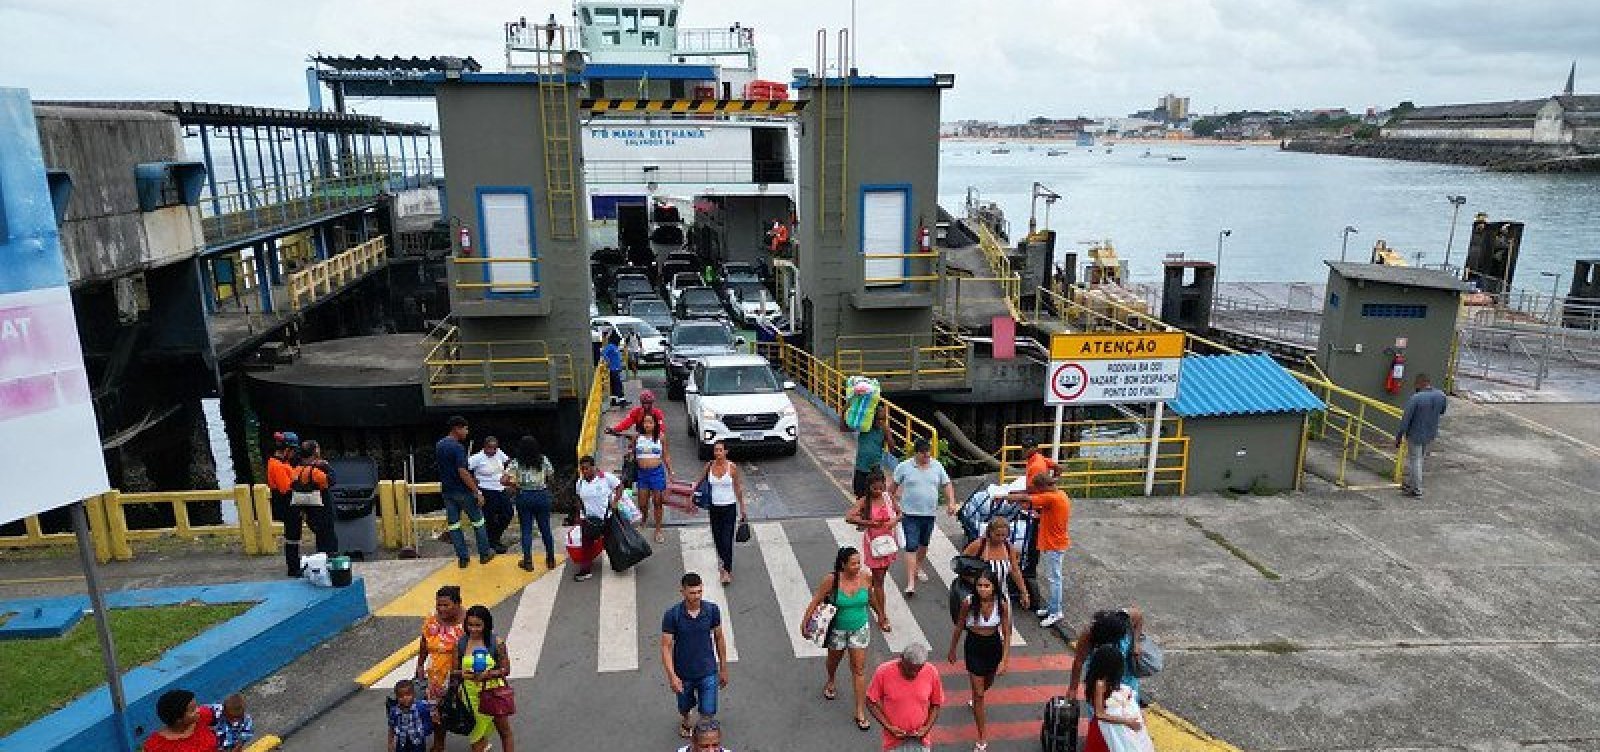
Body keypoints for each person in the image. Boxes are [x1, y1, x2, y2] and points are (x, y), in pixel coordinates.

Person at [802, 546, 886, 732]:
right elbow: (816, 600)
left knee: (859, 669)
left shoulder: (865, 577)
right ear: (843, 565)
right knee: (833, 661)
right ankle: (831, 679)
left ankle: (859, 711)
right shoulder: (831, 580)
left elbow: (870, 597)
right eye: (853, 563)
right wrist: (805, 622)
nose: (858, 566)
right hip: (837, 630)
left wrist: (881, 614)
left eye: (859, 562)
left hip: (859, 629)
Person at [946, 571, 1010, 752]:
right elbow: (959, 626)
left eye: (986, 586)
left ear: (994, 587)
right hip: (974, 647)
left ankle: (977, 698)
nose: (983, 589)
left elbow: (1006, 632)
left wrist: (1005, 658)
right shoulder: (968, 603)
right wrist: (952, 649)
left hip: (993, 647)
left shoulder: (1002, 605)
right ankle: (982, 736)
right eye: (980, 586)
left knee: (988, 683)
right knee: (979, 693)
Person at [661, 572, 730, 739]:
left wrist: (723, 668)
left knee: (708, 711)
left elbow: (719, 638)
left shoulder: (712, 610)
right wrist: (672, 676)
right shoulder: (672, 615)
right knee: (684, 706)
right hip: (683, 674)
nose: (697, 596)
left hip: (708, 671)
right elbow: (665, 647)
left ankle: (703, 739)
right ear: (682, 592)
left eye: (699, 591)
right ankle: (686, 720)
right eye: (692, 593)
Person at [890, 438, 955, 597]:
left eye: (929, 452)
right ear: (916, 453)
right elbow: (892, 488)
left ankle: (918, 566)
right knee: (911, 545)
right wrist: (892, 505)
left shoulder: (937, 466)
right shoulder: (904, 467)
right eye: (924, 453)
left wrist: (951, 502)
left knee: (923, 544)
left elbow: (946, 484)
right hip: (909, 514)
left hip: (929, 514)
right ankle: (911, 582)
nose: (927, 456)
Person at [453, 604, 515, 752]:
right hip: (470, 695)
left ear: (486, 625)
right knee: (476, 734)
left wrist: (488, 674)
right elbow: (454, 671)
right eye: (470, 625)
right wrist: (463, 674)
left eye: (477, 625)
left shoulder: (497, 643)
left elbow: (506, 670)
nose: (473, 629)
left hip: (493, 693)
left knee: (504, 731)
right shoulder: (461, 643)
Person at [436, 416, 494, 568]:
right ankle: (484, 553)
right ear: (457, 428)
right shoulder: (458, 448)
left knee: (454, 525)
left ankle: (463, 558)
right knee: (478, 522)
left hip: (447, 492)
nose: (467, 432)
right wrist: (476, 491)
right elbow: (462, 471)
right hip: (463, 491)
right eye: (465, 429)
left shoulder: (440, 445)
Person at [412, 584, 465, 752]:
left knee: (466, 710)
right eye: (438, 605)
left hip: (461, 675)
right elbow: (424, 641)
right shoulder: (432, 619)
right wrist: (420, 663)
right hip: (436, 677)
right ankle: (439, 744)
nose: (441, 609)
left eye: (446, 605)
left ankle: (479, 741)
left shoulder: (468, 623)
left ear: (457, 604)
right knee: (436, 712)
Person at [845, 469, 900, 629]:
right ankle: (882, 616)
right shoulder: (864, 501)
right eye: (874, 488)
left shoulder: (888, 497)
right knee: (879, 580)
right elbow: (849, 517)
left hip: (888, 543)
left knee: (880, 579)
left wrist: (893, 521)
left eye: (880, 487)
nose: (878, 491)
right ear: (868, 487)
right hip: (874, 544)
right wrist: (869, 523)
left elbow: (900, 513)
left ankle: (871, 596)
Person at [865, 644, 944, 752]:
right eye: (910, 669)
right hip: (893, 743)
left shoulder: (931, 672)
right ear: (901, 659)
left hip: (921, 741)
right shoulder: (883, 672)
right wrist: (888, 727)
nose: (913, 674)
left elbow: (936, 704)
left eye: (918, 670)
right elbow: (870, 701)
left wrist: (927, 727)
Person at [1078, 644, 1154, 752]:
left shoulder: (1107, 679)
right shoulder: (1100, 684)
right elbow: (1099, 714)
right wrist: (1127, 721)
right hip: (1105, 729)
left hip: (1113, 726)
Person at [1021, 471, 1071, 628]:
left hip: (1054, 544)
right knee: (1053, 578)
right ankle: (1051, 608)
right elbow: (1050, 512)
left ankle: (1056, 612)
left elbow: (1026, 499)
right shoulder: (1060, 495)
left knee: (1055, 579)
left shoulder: (1051, 497)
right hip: (1055, 542)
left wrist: (1003, 497)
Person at [1068, 608, 1146, 707]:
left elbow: (1138, 616)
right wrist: (1073, 689)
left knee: (1127, 706)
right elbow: (1079, 661)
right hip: (1101, 675)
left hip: (1126, 677)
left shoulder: (1123, 618)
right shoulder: (1089, 634)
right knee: (1101, 710)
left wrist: (1136, 642)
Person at [696, 441, 749, 584]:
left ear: (726, 452)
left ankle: (726, 570)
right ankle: (722, 560)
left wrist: (742, 507)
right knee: (718, 538)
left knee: (727, 539)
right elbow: (699, 483)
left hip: (729, 507)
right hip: (714, 508)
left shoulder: (732, 468)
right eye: (716, 450)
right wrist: (691, 497)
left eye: (720, 450)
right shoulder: (709, 466)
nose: (717, 453)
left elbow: (738, 488)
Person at [283, 441, 337, 572]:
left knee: (294, 538)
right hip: (321, 509)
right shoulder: (316, 471)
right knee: (327, 540)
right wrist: (326, 466)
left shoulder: (296, 470)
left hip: (303, 508)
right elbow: (331, 480)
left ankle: (293, 567)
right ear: (315, 452)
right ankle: (327, 566)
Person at [505, 435, 557, 572]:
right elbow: (551, 476)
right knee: (545, 528)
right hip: (541, 495)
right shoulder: (543, 459)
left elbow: (504, 480)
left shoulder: (516, 462)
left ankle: (528, 561)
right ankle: (550, 558)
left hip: (524, 496)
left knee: (526, 529)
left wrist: (515, 485)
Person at [961, 517, 1031, 612]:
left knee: (1004, 625)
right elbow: (961, 566)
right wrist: (979, 585)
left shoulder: (1008, 547)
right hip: (979, 597)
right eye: (997, 535)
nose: (1001, 538)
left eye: (1004, 535)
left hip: (1002, 596)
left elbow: (1015, 571)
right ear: (990, 532)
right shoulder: (978, 545)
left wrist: (1024, 593)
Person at [1395, 372, 1447, 498]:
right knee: (1420, 459)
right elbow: (1442, 411)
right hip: (1430, 433)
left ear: (1420, 384)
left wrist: (1399, 436)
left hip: (1415, 434)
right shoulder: (1441, 395)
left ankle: (1417, 490)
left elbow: (1405, 420)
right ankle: (1412, 484)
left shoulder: (1416, 398)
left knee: (1415, 461)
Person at [573, 455, 623, 582]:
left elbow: (619, 487)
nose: (584, 472)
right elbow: (578, 498)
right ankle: (585, 570)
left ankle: (621, 563)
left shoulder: (605, 478)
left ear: (593, 467)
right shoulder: (580, 483)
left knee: (613, 542)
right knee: (586, 545)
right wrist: (579, 515)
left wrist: (615, 502)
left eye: (587, 468)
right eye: (582, 469)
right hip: (588, 520)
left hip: (606, 518)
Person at [629, 411, 672, 544]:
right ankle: (644, 519)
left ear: (654, 424)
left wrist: (670, 471)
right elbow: (632, 452)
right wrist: (631, 455)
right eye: (645, 422)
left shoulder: (661, 437)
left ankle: (658, 530)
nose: (647, 425)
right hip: (642, 474)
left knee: (658, 502)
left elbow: (665, 455)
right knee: (642, 503)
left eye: (650, 422)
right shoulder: (637, 437)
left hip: (656, 473)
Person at [469, 436, 513, 555]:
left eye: (494, 448)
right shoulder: (477, 458)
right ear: (484, 447)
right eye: (490, 448)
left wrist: (507, 474)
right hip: (486, 489)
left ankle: (495, 537)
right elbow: (465, 469)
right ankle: (492, 542)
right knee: (490, 517)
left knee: (508, 513)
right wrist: (474, 481)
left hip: (500, 488)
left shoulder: (499, 453)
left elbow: (510, 462)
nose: (492, 451)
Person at [266, 431, 300, 577]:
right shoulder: (277, 466)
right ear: (287, 450)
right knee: (292, 538)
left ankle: (295, 565)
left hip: (288, 503)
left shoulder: (280, 463)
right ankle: (293, 568)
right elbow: (286, 488)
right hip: (286, 504)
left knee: (294, 537)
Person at [143, 689, 218, 752]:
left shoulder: (201, 717)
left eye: (196, 706)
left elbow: (225, 709)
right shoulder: (156, 746)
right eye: (192, 710)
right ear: (178, 719)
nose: (198, 710)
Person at [386, 678, 435, 752]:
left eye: (408, 694)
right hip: (402, 743)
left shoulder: (421, 707)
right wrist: (390, 743)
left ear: (414, 694)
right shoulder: (395, 711)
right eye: (401, 696)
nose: (405, 698)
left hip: (418, 743)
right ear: (397, 697)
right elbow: (391, 727)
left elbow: (432, 708)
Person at [852, 406, 891, 499]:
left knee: (877, 496)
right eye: (879, 419)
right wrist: (845, 410)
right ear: (872, 418)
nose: (881, 421)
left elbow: (892, 447)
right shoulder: (864, 427)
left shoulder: (884, 429)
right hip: (861, 468)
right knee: (860, 496)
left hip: (875, 469)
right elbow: (844, 428)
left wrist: (888, 433)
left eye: (883, 419)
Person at [602, 333, 628, 407]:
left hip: (617, 369)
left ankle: (613, 400)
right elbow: (603, 353)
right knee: (618, 385)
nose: (619, 342)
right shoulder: (610, 346)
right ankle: (622, 400)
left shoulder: (615, 347)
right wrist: (608, 360)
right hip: (613, 369)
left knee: (613, 385)